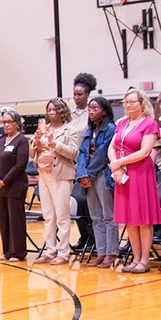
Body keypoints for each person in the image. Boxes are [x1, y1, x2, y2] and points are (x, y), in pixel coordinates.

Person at [108, 88, 161, 274]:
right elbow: (112, 146)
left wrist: (120, 163)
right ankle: (135, 258)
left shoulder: (149, 124)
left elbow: (145, 151)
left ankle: (145, 260)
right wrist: (116, 165)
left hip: (141, 172)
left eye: (132, 101)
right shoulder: (122, 123)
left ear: (142, 103)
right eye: (126, 102)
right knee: (130, 219)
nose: (129, 105)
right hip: (123, 174)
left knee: (143, 219)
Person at [31, 98, 79, 265]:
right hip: (43, 175)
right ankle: (50, 250)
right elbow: (32, 154)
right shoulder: (43, 128)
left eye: (54, 110)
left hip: (60, 175)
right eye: (49, 109)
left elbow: (73, 153)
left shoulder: (70, 130)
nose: (51, 112)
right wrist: (36, 143)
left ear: (62, 111)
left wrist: (54, 143)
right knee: (48, 216)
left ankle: (64, 252)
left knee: (62, 216)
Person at [76, 97, 118, 268]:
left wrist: (89, 174)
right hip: (88, 176)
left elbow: (102, 154)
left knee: (108, 215)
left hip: (103, 174)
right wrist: (81, 174)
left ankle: (112, 252)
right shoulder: (89, 130)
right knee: (95, 217)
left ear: (105, 111)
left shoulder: (110, 129)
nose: (91, 111)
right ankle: (101, 252)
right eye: (90, 109)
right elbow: (81, 153)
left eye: (95, 108)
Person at [0, 110, 29, 262]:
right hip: (2, 187)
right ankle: (7, 251)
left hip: (15, 185)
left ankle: (18, 252)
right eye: (4, 122)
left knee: (15, 220)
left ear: (17, 123)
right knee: (4, 220)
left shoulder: (22, 141)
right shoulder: (1, 141)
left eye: (9, 122)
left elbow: (20, 165)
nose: (6, 125)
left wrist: (4, 180)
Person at [70, 73, 97, 250]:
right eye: (74, 94)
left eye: (80, 94)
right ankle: (83, 236)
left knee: (90, 202)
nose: (76, 97)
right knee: (77, 201)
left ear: (87, 94)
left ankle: (94, 238)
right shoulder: (69, 114)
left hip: (87, 162)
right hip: (71, 162)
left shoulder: (93, 112)